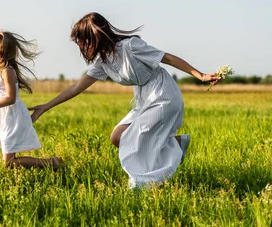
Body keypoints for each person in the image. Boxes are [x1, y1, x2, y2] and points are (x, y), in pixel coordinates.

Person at [29, 12, 220, 187]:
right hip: (143, 97)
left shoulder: (130, 46)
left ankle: (141, 182)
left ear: (94, 36)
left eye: (82, 40)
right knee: (118, 136)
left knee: (141, 140)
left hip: (163, 94)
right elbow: (76, 88)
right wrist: (45, 107)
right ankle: (175, 145)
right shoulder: (102, 62)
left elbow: (167, 58)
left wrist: (200, 76)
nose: (81, 46)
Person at [0, 31, 63, 169]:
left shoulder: (7, 71)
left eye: (0, 49)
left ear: (8, 51)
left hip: (9, 118)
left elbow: (11, 98)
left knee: (9, 163)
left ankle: (52, 163)